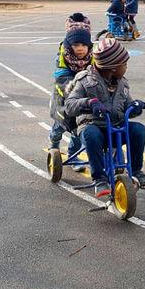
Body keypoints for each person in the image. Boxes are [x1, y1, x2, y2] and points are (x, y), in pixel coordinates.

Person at [64, 37, 145, 197]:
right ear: (113, 67)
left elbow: (127, 105)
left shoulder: (122, 83)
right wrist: (89, 102)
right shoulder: (85, 80)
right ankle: (99, 179)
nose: (126, 68)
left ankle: (135, 171)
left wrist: (135, 106)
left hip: (116, 127)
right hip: (94, 127)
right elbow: (70, 105)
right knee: (91, 134)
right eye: (124, 64)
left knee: (138, 130)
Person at [49, 13, 93, 172]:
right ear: (69, 46)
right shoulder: (63, 56)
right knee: (61, 125)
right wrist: (77, 89)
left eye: (83, 45)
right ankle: (53, 144)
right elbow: (61, 79)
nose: (80, 49)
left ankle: (73, 155)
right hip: (64, 95)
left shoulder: (92, 56)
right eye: (76, 45)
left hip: (83, 98)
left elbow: (99, 74)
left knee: (78, 126)